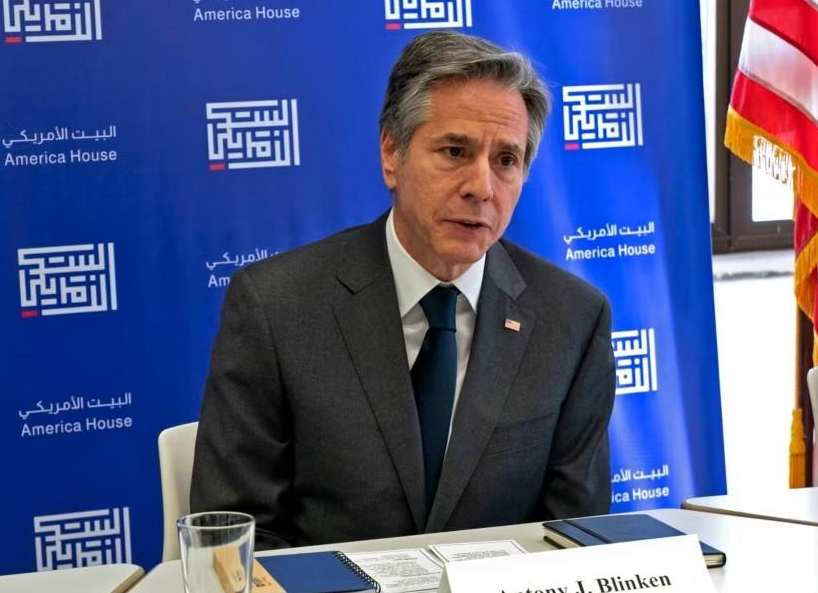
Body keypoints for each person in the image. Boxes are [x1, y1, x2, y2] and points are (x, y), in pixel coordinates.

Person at [191, 30, 615, 550]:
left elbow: (574, 538)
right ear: (392, 154)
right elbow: (235, 540)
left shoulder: (573, 319)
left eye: (506, 161)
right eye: (455, 151)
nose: (482, 187)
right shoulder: (276, 307)